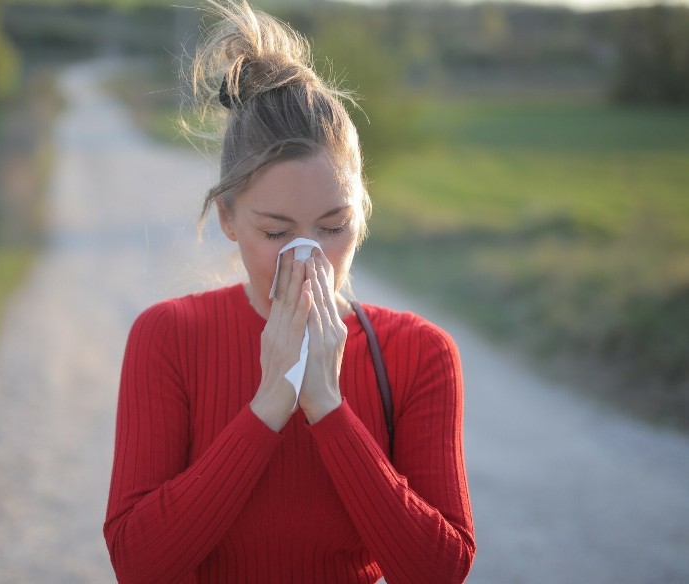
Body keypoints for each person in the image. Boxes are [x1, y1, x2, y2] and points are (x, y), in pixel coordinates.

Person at [103, 1, 475, 582]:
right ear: (228, 218)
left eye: (333, 227)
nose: (310, 257)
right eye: (276, 232)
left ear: (362, 214)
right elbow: (138, 563)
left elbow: (440, 569)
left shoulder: (419, 354)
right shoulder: (169, 337)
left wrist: (326, 404)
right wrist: (269, 403)